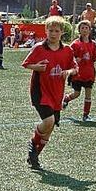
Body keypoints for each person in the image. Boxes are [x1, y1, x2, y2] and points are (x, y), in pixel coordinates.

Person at [21, 16, 78, 170]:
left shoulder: (67, 50)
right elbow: (26, 64)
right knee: (48, 121)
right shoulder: (39, 48)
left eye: (56, 31)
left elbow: (75, 68)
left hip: (57, 93)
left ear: (62, 33)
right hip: (40, 91)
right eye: (50, 30)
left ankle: (34, 157)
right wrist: (37, 67)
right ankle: (33, 142)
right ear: (46, 31)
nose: (53, 34)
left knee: (49, 130)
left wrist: (68, 71)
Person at [63, 20, 96, 121]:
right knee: (77, 93)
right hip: (78, 74)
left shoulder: (93, 44)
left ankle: (85, 115)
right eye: (82, 28)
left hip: (89, 73)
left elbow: (95, 55)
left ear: (89, 30)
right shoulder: (75, 44)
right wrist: (75, 59)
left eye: (86, 28)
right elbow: (68, 55)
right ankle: (66, 98)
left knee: (88, 93)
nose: (84, 30)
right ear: (79, 30)